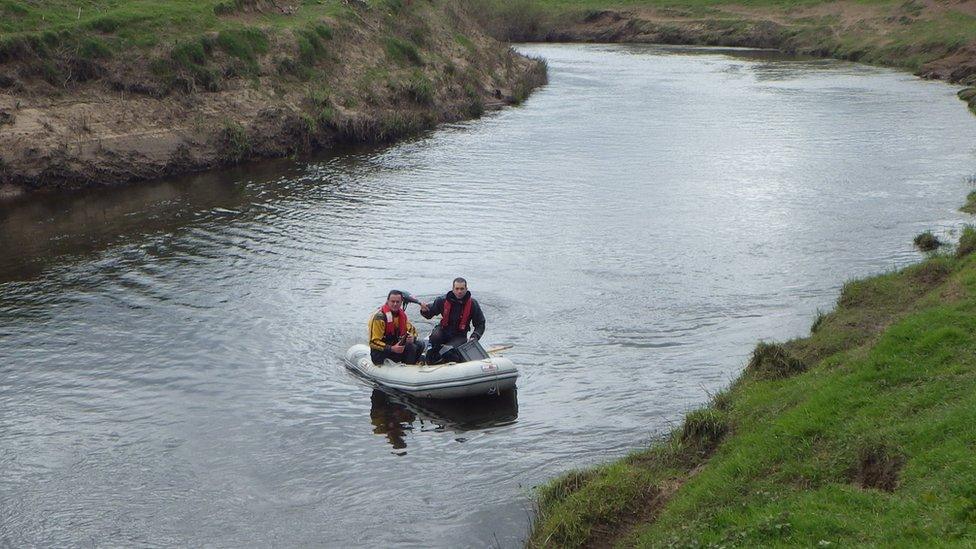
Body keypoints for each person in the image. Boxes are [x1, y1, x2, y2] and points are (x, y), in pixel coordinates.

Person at [420, 277, 485, 363]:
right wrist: (424, 310)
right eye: (457, 289)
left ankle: (450, 357)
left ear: (466, 289)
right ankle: (430, 356)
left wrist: (475, 336)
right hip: (443, 330)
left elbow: (480, 324)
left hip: (459, 335)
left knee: (448, 352)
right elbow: (430, 313)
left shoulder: (473, 304)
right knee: (434, 338)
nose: (459, 291)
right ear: (453, 289)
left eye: (462, 289)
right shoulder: (442, 300)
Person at [369, 290, 423, 365]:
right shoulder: (379, 317)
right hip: (381, 352)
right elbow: (373, 342)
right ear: (388, 301)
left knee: (420, 344)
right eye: (392, 301)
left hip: (395, 347)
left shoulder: (401, 316)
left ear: (401, 302)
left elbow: (412, 330)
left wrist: (412, 337)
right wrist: (391, 348)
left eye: (397, 302)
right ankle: (408, 370)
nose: (395, 304)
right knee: (411, 347)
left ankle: (412, 365)